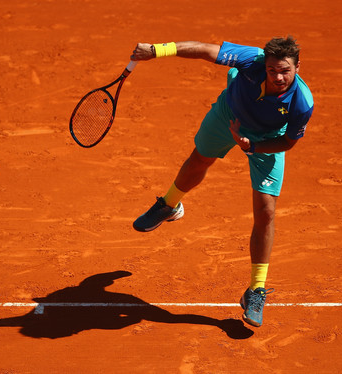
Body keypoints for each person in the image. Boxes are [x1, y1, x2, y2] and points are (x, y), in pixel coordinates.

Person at [130, 37, 313, 327]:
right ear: (263, 65)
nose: (278, 77)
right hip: (230, 114)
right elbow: (205, 50)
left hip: (267, 139)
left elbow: (288, 142)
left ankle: (256, 289)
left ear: (297, 67)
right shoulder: (250, 59)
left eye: (285, 71)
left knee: (265, 211)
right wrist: (157, 51)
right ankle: (169, 205)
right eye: (272, 70)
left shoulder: (302, 102)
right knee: (199, 161)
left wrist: (252, 146)